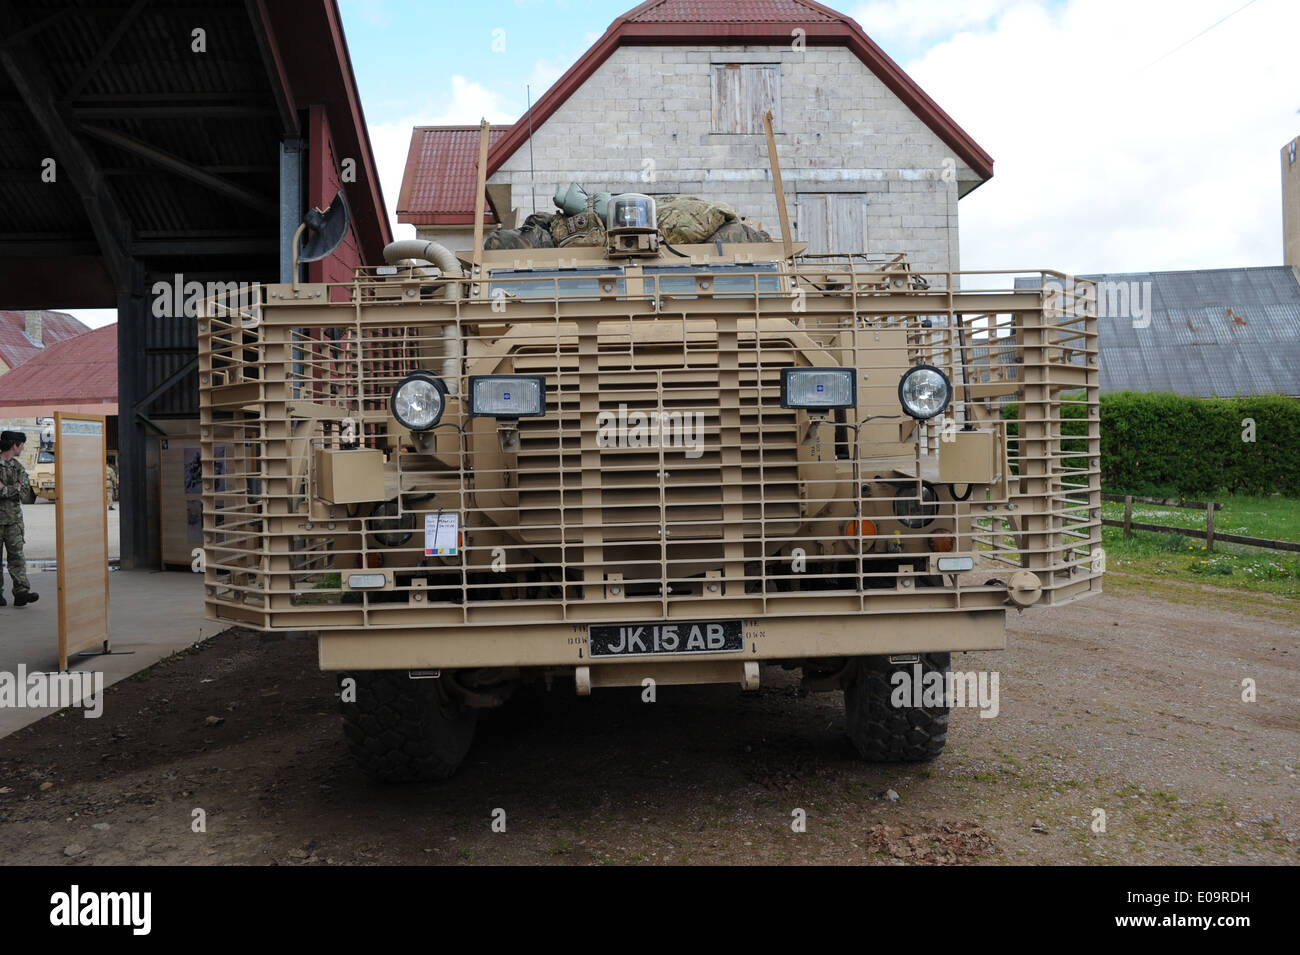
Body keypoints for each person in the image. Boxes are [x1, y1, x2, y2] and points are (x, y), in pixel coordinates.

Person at [0, 430, 39, 607]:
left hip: (14, 521)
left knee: (17, 557)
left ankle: (21, 592)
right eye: (22, 444)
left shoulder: (18, 467)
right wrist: (12, 488)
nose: (23, 448)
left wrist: (5, 489)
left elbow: (24, 493)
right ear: (15, 444)